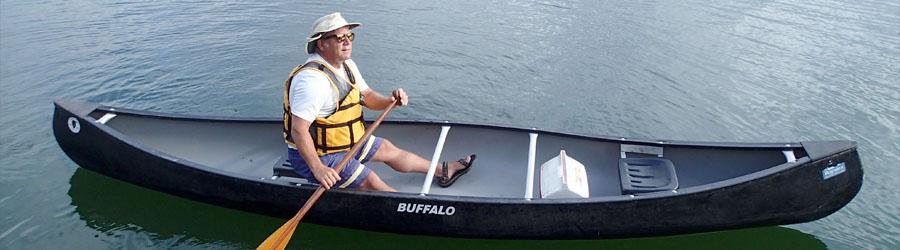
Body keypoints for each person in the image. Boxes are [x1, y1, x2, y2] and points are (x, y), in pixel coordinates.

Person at [283, 12, 475, 192]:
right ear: (321, 44)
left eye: (349, 36)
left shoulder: (346, 65)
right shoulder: (312, 81)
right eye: (339, 38)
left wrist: (390, 101)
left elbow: (366, 95)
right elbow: (299, 130)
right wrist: (318, 168)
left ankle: (443, 171)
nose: (347, 42)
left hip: (345, 143)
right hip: (318, 155)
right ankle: (408, 211)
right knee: (371, 181)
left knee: (387, 149)